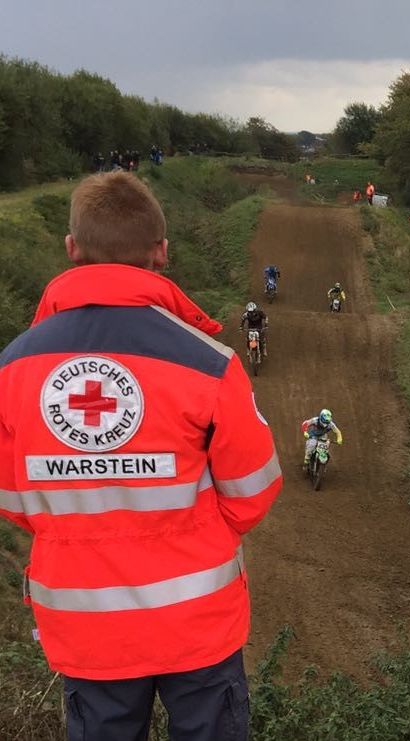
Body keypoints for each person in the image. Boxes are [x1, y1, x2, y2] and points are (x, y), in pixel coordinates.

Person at [0, 172, 281, 741]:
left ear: (72, 248)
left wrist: (79, 530)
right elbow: (252, 493)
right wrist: (191, 533)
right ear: (162, 251)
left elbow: (14, 501)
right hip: (199, 621)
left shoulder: (11, 370)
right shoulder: (210, 363)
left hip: (85, 627)